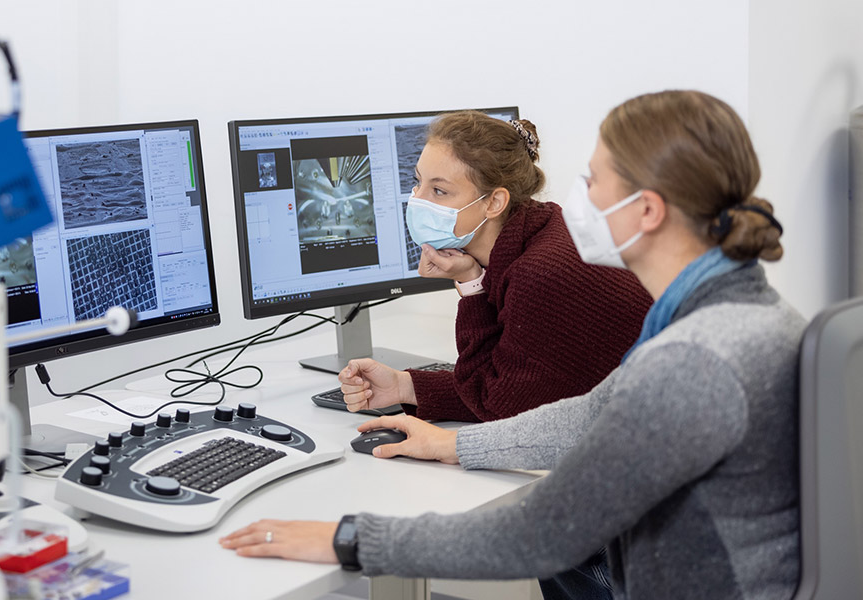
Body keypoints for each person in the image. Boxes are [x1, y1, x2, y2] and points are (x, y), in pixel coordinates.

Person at [220, 90, 804, 600]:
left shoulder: (695, 360)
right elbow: (594, 413)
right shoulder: (736, 314)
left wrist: (346, 538)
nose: (579, 198)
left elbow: (542, 534)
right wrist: (456, 447)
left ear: (647, 211)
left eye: (594, 181)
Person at [340, 110, 651, 422]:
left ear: (494, 202)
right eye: (417, 182)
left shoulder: (539, 274)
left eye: (439, 191)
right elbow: (519, 389)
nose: (417, 201)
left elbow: (499, 410)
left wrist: (472, 287)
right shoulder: (541, 229)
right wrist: (404, 387)